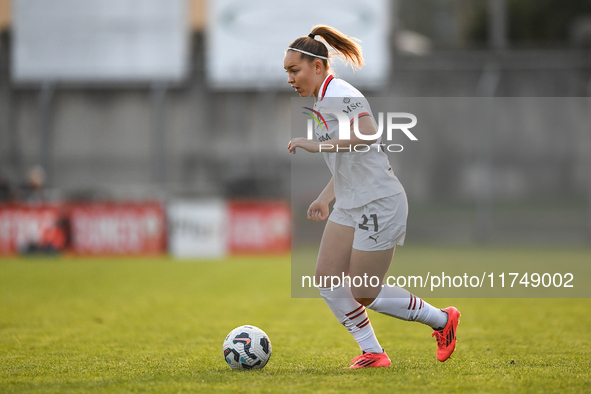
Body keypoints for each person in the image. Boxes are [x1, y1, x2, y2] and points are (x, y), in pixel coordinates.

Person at [285, 25, 460, 369]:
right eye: (287, 72)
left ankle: (442, 320)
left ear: (318, 67)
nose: (290, 79)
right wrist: (325, 197)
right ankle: (374, 353)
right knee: (326, 278)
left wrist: (315, 145)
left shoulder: (340, 93)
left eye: (295, 70)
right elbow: (349, 162)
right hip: (352, 203)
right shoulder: (323, 101)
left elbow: (366, 133)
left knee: (365, 291)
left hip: (379, 202)